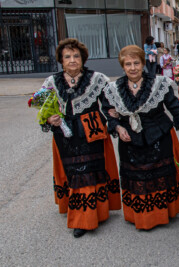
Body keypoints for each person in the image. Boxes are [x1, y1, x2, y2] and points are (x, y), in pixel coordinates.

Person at [102, 45, 179, 230]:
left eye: (136, 63)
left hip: (158, 136)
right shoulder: (113, 88)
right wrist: (118, 126)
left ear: (143, 63)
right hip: (130, 140)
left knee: (160, 175)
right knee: (136, 176)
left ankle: (162, 213)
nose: (132, 68)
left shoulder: (159, 83)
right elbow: (107, 112)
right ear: (122, 66)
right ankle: (139, 214)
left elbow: (174, 107)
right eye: (128, 64)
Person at [42, 38, 121, 238]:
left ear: (83, 58)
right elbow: (43, 112)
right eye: (67, 56)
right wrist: (49, 119)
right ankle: (84, 215)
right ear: (61, 59)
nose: (72, 60)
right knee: (75, 173)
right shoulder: (51, 82)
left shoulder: (98, 78)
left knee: (89, 172)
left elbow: (108, 106)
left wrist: (116, 118)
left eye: (76, 56)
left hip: (91, 131)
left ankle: (89, 217)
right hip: (65, 134)